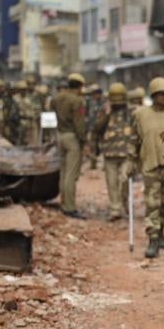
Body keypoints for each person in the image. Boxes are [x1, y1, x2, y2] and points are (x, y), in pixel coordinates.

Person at [130, 77, 164, 258]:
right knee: (152, 203)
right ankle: (153, 238)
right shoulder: (140, 115)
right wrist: (130, 161)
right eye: (161, 94)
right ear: (154, 95)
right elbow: (134, 139)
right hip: (150, 164)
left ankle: (161, 230)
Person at [94, 83, 134, 221]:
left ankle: (125, 204)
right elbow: (97, 129)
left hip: (126, 153)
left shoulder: (131, 112)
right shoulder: (104, 111)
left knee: (124, 181)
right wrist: (106, 114)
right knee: (111, 183)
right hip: (109, 153)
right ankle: (115, 209)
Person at [54, 72, 90, 219]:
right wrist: (84, 141)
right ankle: (70, 207)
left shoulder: (57, 98)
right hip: (72, 138)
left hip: (60, 136)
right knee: (71, 175)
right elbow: (79, 124)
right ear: (80, 86)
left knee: (63, 173)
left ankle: (64, 203)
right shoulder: (77, 101)